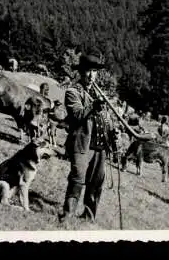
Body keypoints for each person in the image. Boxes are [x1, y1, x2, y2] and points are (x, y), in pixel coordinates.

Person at [58, 54, 109, 223]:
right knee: (78, 176)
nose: (91, 75)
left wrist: (112, 131)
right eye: (88, 71)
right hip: (81, 143)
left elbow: (104, 120)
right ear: (80, 72)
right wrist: (93, 106)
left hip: (100, 146)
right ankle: (67, 214)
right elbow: (78, 114)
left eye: (94, 71)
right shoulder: (72, 92)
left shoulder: (99, 94)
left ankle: (88, 216)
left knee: (96, 181)